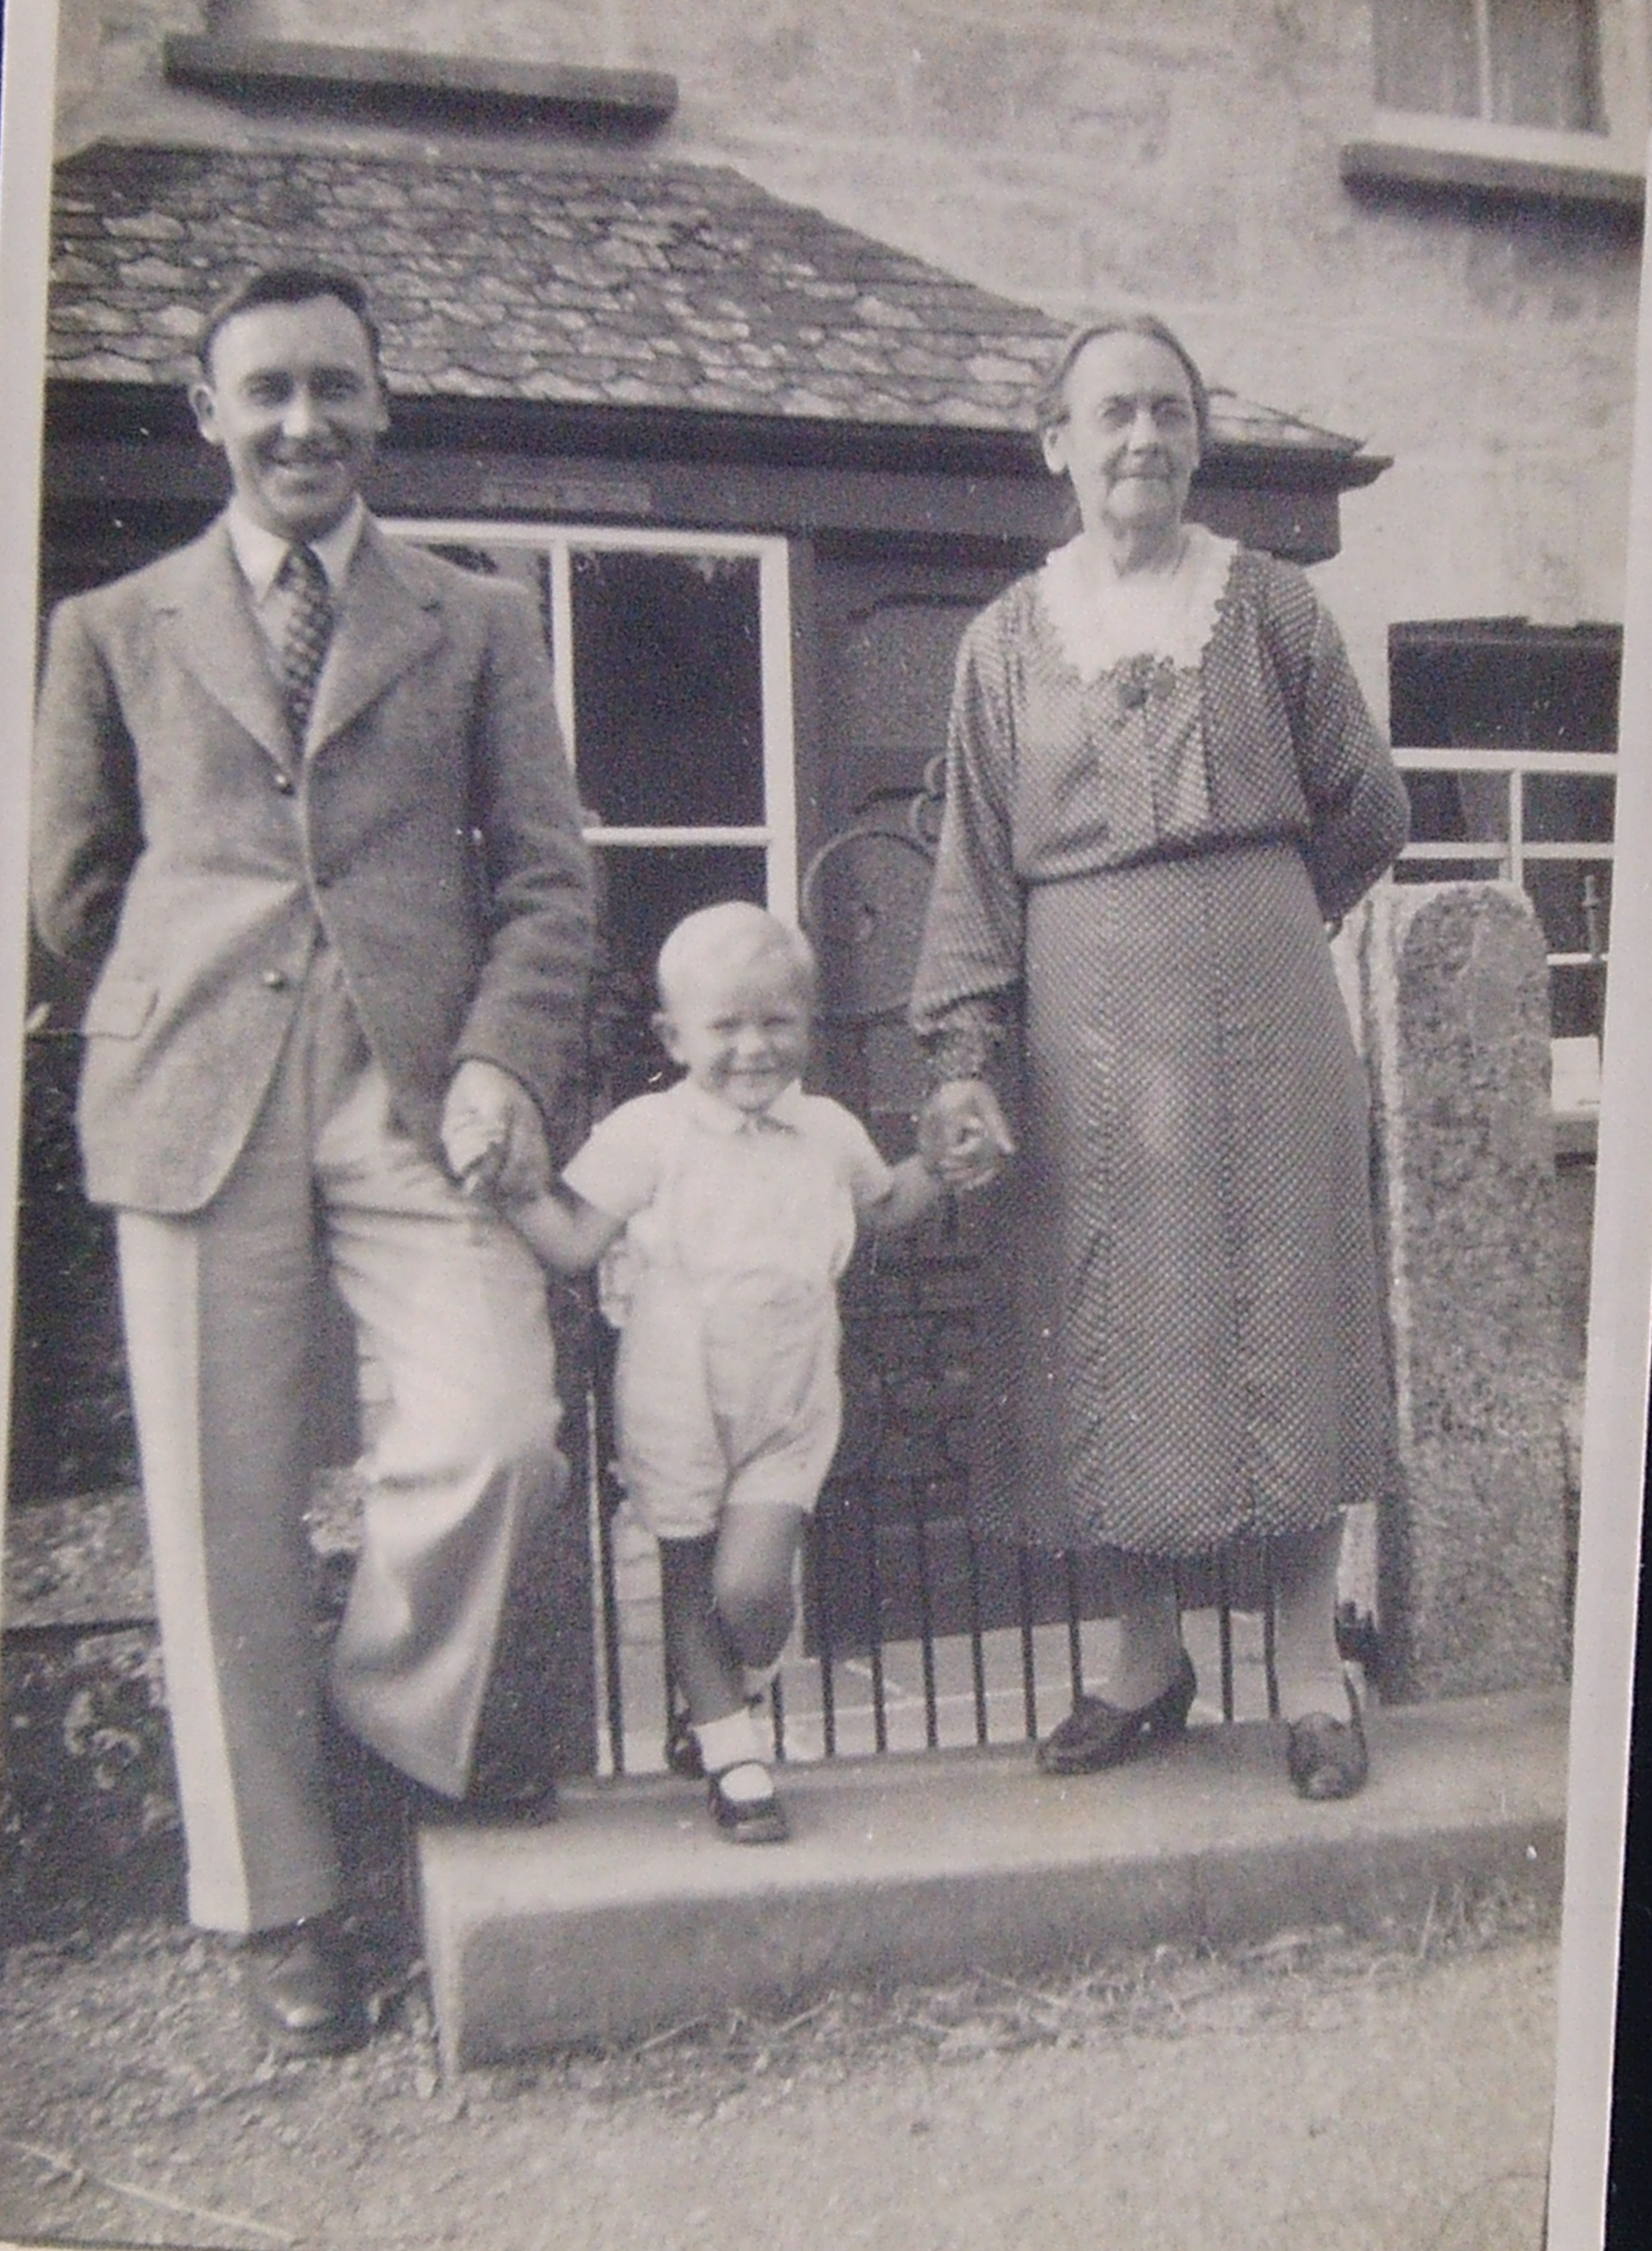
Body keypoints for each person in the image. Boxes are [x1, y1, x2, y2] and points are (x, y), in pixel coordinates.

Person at [30, 268, 594, 2051]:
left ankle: (376, 1746)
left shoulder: (477, 616)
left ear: (380, 407)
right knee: (221, 1514)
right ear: (208, 413)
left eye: (334, 390)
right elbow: (65, 892)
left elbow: (549, 881)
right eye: (264, 391)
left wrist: (500, 1051)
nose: (302, 425)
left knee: (493, 1434)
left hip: (421, 1095)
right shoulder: (110, 628)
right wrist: (187, 992)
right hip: (197, 1095)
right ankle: (276, 1905)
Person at [909, 312, 1409, 1801]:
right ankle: (1144, 1656)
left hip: (1264, 1010)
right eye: (1113, 413)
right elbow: (970, 871)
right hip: (1082, 1030)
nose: (1144, 440)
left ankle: (1308, 1661)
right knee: (1112, 1322)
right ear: (1053, 441)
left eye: (1170, 413)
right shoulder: (1002, 643)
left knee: (1286, 1315)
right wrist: (965, 1052)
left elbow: (1366, 807)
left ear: (1197, 437)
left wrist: (1251, 920)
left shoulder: (1268, 609)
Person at [487, 902, 952, 1842]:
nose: (753, 1048)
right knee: (688, 1567)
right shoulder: (647, 1131)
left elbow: (891, 1206)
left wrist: (941, 1162)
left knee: (749, 1592)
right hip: (676, 1392)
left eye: (778, 1023)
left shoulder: (826, 1131)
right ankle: (732, 1755)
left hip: (788, 1398)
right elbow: (575, 1243)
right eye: (725, 1026)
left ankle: (733, 1690)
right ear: (673, 1035)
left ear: (809, 1027)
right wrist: (519, 1189)